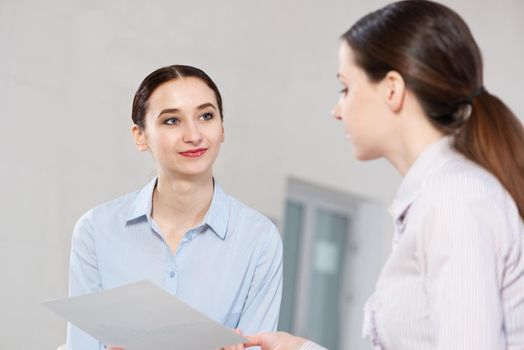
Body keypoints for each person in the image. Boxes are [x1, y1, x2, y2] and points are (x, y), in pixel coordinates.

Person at [245, 1, 524, 349]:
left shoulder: (455, 199)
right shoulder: (439, 196)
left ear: (392, 89)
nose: (337, 110)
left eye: (345, 89)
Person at [67, 65, 283, 349]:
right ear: (140, 136)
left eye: (206, 116)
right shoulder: (96, 230)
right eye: (172, 121)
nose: (194, 135)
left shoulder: (259, 239)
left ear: (222, 129)